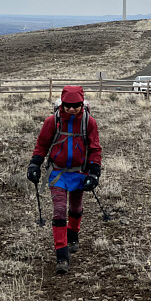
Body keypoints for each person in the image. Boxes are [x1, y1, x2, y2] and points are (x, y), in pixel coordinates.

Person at [27, 85, 102, 274]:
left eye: (75, 105)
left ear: (81, 103)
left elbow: (95, 148)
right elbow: (42, 145)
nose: (71, 109)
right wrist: (35, 164)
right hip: (57, 173)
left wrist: (94, 172)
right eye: (67, 105)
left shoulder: (89, 122)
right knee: (59, 211)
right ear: (62, 103)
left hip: (79, 172)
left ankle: (73, 235)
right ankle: (62, 255)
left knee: (75, 208)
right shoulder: (52, 122)